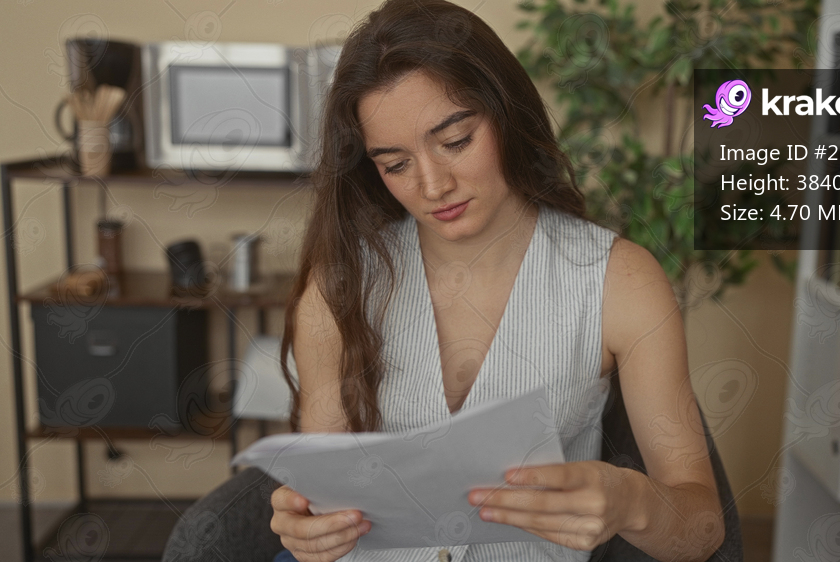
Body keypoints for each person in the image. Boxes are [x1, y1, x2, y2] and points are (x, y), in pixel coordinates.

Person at [269, 0, 725, 561]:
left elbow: (704, 532)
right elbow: (322, 497)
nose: (433, 186)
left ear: (506, 114)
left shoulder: (621, 281)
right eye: (395, 165)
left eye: (456, 141)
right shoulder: (341, 284)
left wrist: (632, 501)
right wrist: (307, 529)